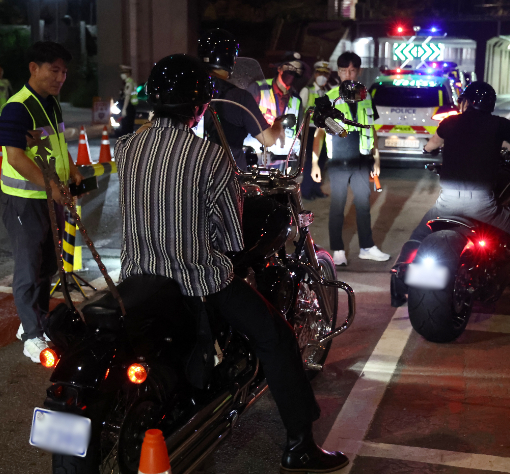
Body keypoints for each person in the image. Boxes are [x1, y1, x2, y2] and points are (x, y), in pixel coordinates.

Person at [115, 54, 348, 473]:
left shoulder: (126, 148)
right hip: (197, 281)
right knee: (275, 336)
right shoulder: (209, 157)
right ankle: (299, 445)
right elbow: (231, 238)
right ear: (200, 105)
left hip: (137, 276)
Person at [391, 81, 510, 328]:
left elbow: (431, 145)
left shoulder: (449, 123)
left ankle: (397, 283)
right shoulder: (500, 125)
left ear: (465, 102)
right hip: (481, 206)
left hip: (446, 202)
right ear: (490, 105)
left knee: (417, 237)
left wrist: (427, 149)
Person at [0, 41, 83, 362]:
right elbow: (16, 158)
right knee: (28, 268)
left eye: (64, 71)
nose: (61, 77)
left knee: (49, 265)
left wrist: (72, 170)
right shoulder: (16, 107)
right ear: (34, 68)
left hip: (51, 200)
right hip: (25, 202)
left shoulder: (51, 103)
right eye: (54, 70)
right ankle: (32, 336)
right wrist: (52, 186)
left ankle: (37, 321)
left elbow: (57, 145)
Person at [311, 51, 390, 266]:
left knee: (363, 204)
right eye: (345, 70)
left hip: (362, 159)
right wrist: (314, 162)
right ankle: (337, 250)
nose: (349, 74)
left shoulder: (366, 97)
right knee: (338, 206)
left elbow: (371, 130)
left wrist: (376, 158)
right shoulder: (327, 99)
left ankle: (367, 247)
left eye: (353, 70)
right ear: (338, 72)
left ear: (359, 71)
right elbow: (318, 133)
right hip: (339, 160)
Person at [197, 28, 284, 170]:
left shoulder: (189, 91)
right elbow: (267, 140)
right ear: (231, 58)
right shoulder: (238, 97)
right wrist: (278, 126)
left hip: (191, 173)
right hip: (228, 176)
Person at [247, 52, 304, 168]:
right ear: (279, 68)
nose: (292, 72)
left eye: (297, 69)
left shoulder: (297, 100)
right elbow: (243, 119)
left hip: (282, 162)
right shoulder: (258, 89)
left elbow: (298, 133)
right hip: (255, 158)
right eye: (289, 67)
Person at [300, 60, 331, 200]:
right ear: (315, 73)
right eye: (320, 73)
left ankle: (316, 188)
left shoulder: (327, 92)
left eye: (326, 74)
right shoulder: (307, 90)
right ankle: (306, 191)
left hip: (324, 131)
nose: (323, 76)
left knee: (322, 159)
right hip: (311, 130)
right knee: (312, 160)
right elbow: (299, 112)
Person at [118, 65, 138, 135]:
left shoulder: (129, 83)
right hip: (132, 107)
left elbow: (127, 97)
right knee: (129, 125)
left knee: (126, 126)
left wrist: (124, 109)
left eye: (123, 73)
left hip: (129, 106)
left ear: (127, 74)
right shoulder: (132, 82)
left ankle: (126, 142)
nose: (122, 75)